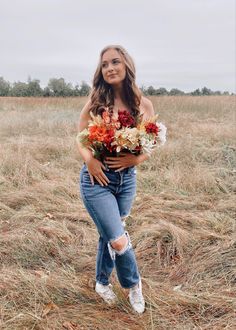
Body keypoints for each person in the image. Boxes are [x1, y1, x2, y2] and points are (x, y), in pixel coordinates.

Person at [76, 45, 155, 314]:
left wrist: (135, 160)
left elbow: (151, 142)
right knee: (118, 240)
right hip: (96, 180)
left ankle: (101, 283)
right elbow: (80, 137)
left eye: (115, 62)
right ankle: (134, 285)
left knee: (108, 234)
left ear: (126, 65)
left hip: (127, 180)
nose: (110, 68)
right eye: (105, 64)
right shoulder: (96, 102)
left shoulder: (142, 104)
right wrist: (90, 160)